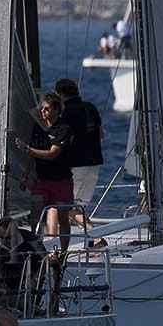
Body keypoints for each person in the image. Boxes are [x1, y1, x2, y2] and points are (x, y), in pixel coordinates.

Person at [15, 92, 74, 250]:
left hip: (61, 180)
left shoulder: (64, 129)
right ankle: (35, 246)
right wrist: (25, 176)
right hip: (42, 179)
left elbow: (52, 154)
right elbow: (33, 155)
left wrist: (28, 149)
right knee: (35, 212)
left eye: (47, 109)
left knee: (63, 217)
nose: (43, 111)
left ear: (56, 110)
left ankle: (63, 251)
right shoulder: (38, 127)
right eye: (42, 108)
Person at [55, 78, 104, 235]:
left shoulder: (67, 113)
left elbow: (65, 140)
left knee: (63, 205)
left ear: (61, 94)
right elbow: (101, 135)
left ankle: (94, 235)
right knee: (78, 207)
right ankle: (91, 237)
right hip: (94, 163)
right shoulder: (91, 108)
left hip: (76, 165)